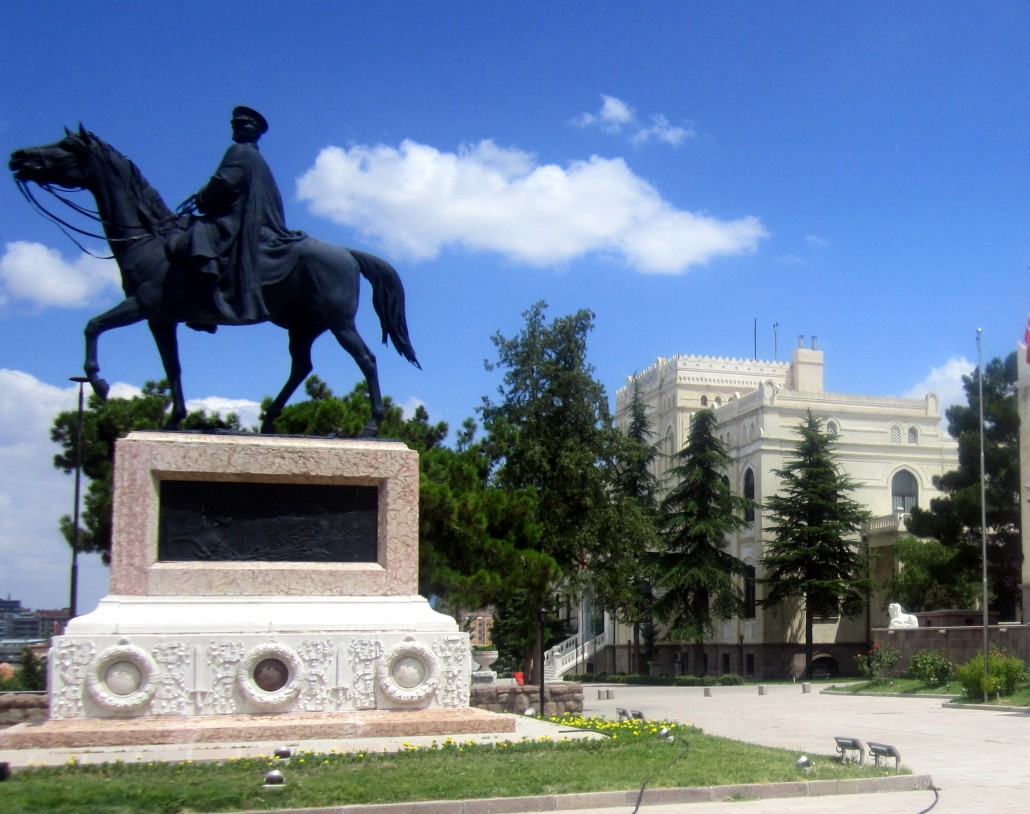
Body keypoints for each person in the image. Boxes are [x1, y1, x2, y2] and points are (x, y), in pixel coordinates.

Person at [171, 106, 305, 323]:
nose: (236, 128)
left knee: (196, 234)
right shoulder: (258, 160)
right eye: (235, 124)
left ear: (254, 131)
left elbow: (224, 182)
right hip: (255, 220)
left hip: (238, 221)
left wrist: (202, 198)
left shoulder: (239, 151)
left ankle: (205, 297)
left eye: (242, 124)